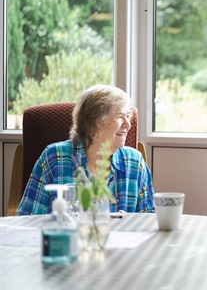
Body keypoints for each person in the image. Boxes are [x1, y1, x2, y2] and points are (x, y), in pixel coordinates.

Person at [17, 85, 155, 215]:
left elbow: (150, 222)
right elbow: (27, 219)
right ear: (94, 124)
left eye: (128, 116)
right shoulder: (54, 157)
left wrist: (129, 223)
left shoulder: (135, 162)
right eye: (120, 116)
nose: (128, 124)